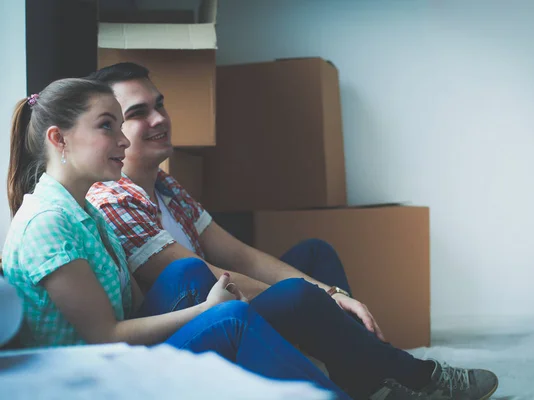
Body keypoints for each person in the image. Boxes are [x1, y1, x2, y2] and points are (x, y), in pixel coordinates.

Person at [84, 63, 499, 400]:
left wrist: (335, 295)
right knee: (302, 295)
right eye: (138, 113)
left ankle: (363, 375)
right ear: (111, 130)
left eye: (160, 105)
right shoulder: (112, 198)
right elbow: (208, 274)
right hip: (193, 326)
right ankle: (413, 375)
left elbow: (239, 255)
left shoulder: (167, 187)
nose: (160, 118)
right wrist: (321, 300)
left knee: (314, 255)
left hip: (225, 299)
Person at [0, 78, 353, 399]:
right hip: (86, 374)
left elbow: (136, 305)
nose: (123, 140)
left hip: (118, 352)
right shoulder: (47, 223)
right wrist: (206, 311)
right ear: (58, 138)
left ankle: (338, 369)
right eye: (107, 126)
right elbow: (105, 336)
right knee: (231, 318)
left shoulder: (87, 213)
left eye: (121, 127)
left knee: (188, 274)